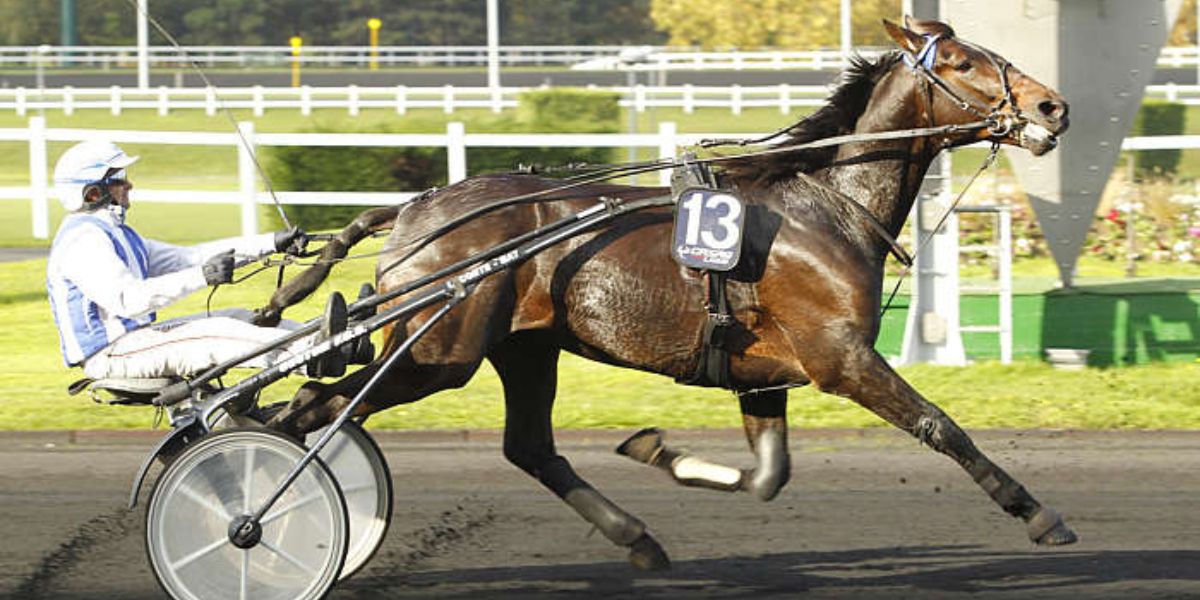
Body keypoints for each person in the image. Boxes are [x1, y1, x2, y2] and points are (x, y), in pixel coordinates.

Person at [46, 140, 314, 380]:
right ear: (93, 193)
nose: (129, 184)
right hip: (110, 354)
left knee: (239, 317)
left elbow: (190, 257)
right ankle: (313, 355)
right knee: (218, 333)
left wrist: (270, 243)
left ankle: (320, 338)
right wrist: (203, 276)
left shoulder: (116, 233)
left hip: (134, 342)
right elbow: (129, 301)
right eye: (119, 178)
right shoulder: (83, 241)